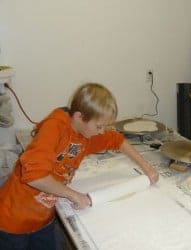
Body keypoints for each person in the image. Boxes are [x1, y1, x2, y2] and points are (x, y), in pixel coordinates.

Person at [0, 82, 159, 249]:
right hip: (13, 222)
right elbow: (34, 176)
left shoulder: (84, 135)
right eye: (99, 126)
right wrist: (74, 195)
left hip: (42, 220)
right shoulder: (54, 128)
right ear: (78, 117)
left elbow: (117, 141)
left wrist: (147, 169)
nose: (102, 132)